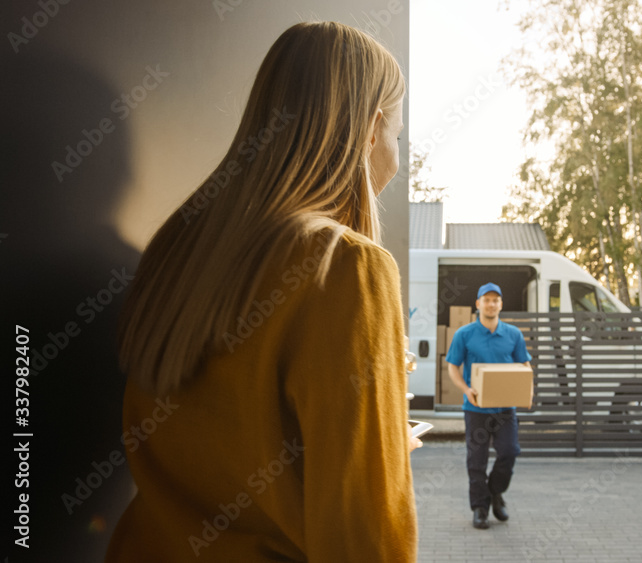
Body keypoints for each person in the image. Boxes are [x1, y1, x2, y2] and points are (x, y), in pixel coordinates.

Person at [105, 22, 417, 562]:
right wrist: (378, 456)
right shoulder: (345, 268)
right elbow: (366, 545)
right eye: (397, 134)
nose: (397, 154)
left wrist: (375, 432)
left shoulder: (174, 250)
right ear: (370, 130)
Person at [446, 282, 532, 529]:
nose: (491, 304)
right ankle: (480, 508)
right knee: (477, 460)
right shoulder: (464, 334)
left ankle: (495, 492)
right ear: (478, 304)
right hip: (476, 409)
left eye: (496, 300)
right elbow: (453, 366)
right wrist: (465, 390)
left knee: (510, 451)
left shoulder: (513, 334)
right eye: (487, 299)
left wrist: (527, 392)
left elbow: (525, 366)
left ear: (501, 305)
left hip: (505, 409)